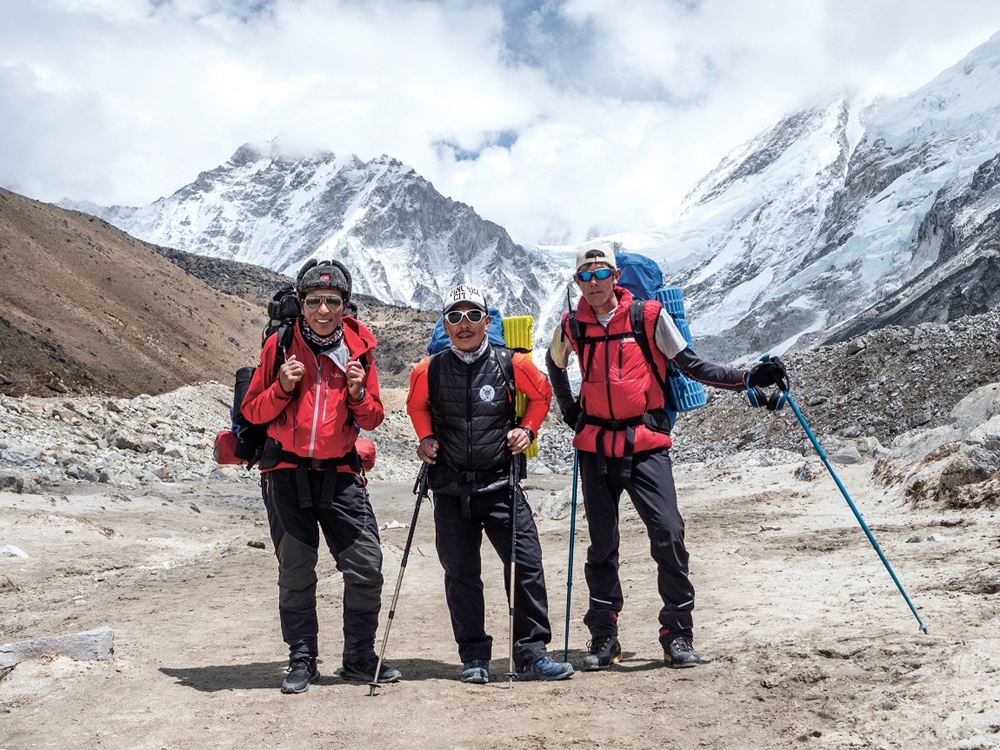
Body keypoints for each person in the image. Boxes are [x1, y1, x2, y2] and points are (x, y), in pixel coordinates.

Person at [546, 240, 788, 671]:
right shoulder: (572, 325)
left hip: (645, 444)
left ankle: (677, 633)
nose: (595, 282)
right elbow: (554, 363)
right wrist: (569, 410)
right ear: (577, 281)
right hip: (595, 447)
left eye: (602, 273)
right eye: (586, 275)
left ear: (616, 277)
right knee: (602, 545)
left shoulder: (648, 316)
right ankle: (603, 636)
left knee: (669, 533)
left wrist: (748, 377)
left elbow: (692, 364)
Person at [241, 258, 401, 693]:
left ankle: (359, 658)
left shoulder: (360, 351)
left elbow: (373, 419)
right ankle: (302, 658)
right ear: (302, 302)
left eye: (333, 301)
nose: (324, 310)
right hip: (287, 475)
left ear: (346, 305)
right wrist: (283, 388)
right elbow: (252, 411)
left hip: (342, 475)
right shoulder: (279, 347)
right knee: (296, 571)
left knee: (366, 567)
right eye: (315, 301)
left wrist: (357, 394)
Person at [406, 284, 575, 684]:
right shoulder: (427, 370)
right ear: (444, 324)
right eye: (454, 317)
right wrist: (425, 438)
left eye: (471, 316)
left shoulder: (511, 363)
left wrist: (527, 431)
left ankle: (531, 654)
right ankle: (474, 657)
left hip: (501, 484)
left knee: (526, 565)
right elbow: (417, 407)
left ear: (486, 320)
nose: (463, 325)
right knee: (461, 573)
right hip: (449, 489)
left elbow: (541, 397)